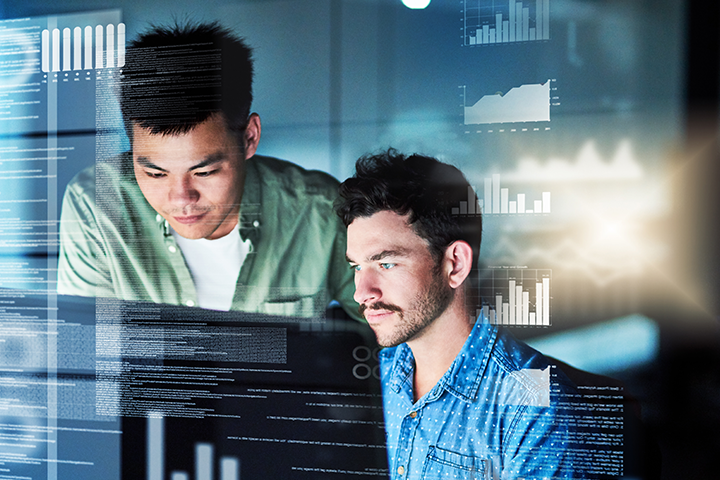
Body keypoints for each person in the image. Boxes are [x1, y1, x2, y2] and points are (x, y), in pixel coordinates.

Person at [57, 21, 359, 318]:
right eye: (155, 174)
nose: (181, 198)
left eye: (204, 172)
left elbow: (392, 340)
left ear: (249, 137)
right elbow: (87, 349)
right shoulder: (97, 203)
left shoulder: (318, 211)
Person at [336, 149, 587, 479]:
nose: (362, 292)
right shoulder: (370, 377)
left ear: (455, 264)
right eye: (357, 266)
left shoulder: (535, 406)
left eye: (386, 263)